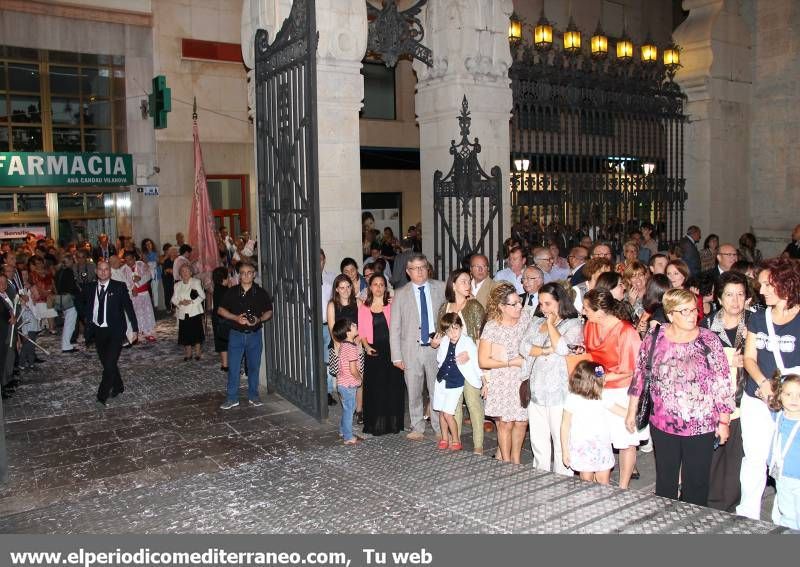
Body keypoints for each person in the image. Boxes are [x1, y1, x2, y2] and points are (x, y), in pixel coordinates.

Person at [626, 288, 733, 506]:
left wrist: (724, 420)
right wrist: (631, 411)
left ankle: (694, 523)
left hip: (700, 423)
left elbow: (722, 382)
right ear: (671, 314)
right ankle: (667, 520)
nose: (693, 315)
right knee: (666, 479)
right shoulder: (655, 337)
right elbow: (640, 375)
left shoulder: (708, 340)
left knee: (697, 481)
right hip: (663, 421)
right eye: (685, 311)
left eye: (694, 310)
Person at [739, 257, 800, 520]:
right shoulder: (758, 317)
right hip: (758, 396)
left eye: (767, 285)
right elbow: (749, 357)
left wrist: (786, 390)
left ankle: (784, 518)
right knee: (754, 456)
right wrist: (764, 385)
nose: (761, 291)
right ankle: (748, 513)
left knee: (787, 461)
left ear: (786, 284)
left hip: (792, 401)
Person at [701, 271, 752, 512]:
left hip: (745, 399)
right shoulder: (707, 325)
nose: (735, 300)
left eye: (740, 294)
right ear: (719, 298)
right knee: (712, 454)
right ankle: (709, 501)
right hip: (713, 401)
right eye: (729, 295)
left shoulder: (755, 324)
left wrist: (751, 362)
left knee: (736, 455)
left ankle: (731, 504)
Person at [520, 282, 583, 474]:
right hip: (536, 388)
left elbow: (563, 349)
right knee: (538, 438)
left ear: (560, 301)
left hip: (559, 390)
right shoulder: (536, 321)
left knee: (560, 436)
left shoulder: (573, 323)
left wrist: (551, 325)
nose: (543, 308)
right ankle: (541, 472)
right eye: (541, 304)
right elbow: (523, 346)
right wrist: (546, 350)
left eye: (548, 304)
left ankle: (563, 475)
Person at [583, 288, 641, 488]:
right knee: (599, 437)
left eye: (586, 309)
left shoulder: (626, 331)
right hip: (597, 388)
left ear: (600, 312)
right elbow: (590, 356)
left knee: (625, 439)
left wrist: (600, 377)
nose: (583, 312)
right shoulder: (590, 326)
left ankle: (623, 486)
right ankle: (602, 481)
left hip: (621, 390)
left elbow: (633, 370)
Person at [389, 253, 445, 441]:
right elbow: (395, 327)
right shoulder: (400, 293)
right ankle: (417, 425)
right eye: (415, 268)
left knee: (436, 390)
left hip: (435, 349)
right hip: (410, 351)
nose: (420, 271)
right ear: (408, 272)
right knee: (413, 391)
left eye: (423, 267)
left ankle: (439, 426)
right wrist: (396, 356)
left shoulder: (441, 288)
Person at [432, 269, 486, 454]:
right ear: (453, 285)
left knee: (473, 404)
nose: (467, 285)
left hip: (469, 365)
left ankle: (478, 446)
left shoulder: (475, 307)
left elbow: (480, 338)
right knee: (453, 406)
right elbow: (440, 335)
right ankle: (456, 441)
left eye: (469, 282)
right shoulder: (444, 308)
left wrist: (474, 358)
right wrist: (435, 342)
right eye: (463, 281)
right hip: (450, 365)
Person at [478, 282, 531, 464]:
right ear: (501, 306)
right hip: (502, 379)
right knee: (506, 423)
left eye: (520, 302)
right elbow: (483, 360)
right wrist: (510, 362)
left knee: (522, 422)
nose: (519, 306)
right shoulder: (492, 327)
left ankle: (516, 460)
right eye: (514, 304)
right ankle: (506, 462)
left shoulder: (526, 318)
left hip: (522, 378)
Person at [218, 261, 274, 409]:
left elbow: (269, 311)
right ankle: (232, 398)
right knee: (234, 368)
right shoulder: (232, 292)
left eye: (249, 272)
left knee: (254, 367)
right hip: (236, 334)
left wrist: (259, 319)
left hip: (254, 335)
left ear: (254, 274)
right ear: (239, 275)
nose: (246, 275)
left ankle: (253, 396)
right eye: (243, 273)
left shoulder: (260, 292)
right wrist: (235, 318)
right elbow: (221, 310)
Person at [83, 260, 138, 407]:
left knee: (109, 364)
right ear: (96, 271)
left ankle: (101, 397)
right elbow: (85, 306)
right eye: (100, 269)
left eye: (106, 269)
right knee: (108, 363)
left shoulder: (119, 287)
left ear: (110, 271)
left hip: (116, 331)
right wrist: (86, 324)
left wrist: (135, 328)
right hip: (98, 331)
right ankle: (118, 386)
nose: (103, 272)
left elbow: (129, 308)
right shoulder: (89, 288)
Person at [359, 274, 404, 436]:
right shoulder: (364, 307)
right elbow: (362, 331)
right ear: (370, 287)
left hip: (392, 351)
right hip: (374, 352)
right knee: (376, 389)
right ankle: (376, 424)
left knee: (392, 388)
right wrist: (366, 347)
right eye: (375, 284)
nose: (378, 288)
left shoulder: (392, 305)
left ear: (386, 287)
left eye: (381, 285)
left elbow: (399, 327)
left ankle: (393, 424)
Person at [561, 361, 616, 484]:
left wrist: (634, 413)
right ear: (590, 382)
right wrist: (565, 450)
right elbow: (565, 425)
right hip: (583, 447)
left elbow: (618, 410)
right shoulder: (573, 398)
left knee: (604, 480)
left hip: (602, 446)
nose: (605, 381)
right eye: (601, 379)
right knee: (586, 481)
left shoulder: (603, 395)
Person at [435, 312, 480, 451]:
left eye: (455, 328)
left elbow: (477, 363)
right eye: (448, 330)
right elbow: (440, 359)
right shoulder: (444, 341)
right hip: (441, 380)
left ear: (461, 327)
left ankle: (455, 439)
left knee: (448, 414)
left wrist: (484, 381)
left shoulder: (467, 342)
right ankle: (444, 437)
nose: (452, 333)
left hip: (455, 383)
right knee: (441, 413)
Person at [767, 373, 800, 529]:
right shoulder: (778, 416)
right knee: (787, 514)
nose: (794, 399)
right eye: (788, 394)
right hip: (782, 476)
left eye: (799, 395)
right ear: (780, 396)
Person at [327, 274, 359, 407]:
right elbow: (332, 329)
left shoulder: (357, 303)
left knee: (357, 378)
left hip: (356, 346)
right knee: (342, 381)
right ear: (336, 289)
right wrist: (341, 351)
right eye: (342, 287)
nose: (345, 290)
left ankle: (358, 410)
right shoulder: (332, 305)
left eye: (348, 287)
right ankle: (346, 408)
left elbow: (361, 325)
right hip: (338, 348)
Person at [333, 318, 363, 445]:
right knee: (349, 410)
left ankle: (342, 430)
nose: (355, 325)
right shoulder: (351, 348)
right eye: (352, 325)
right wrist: (359, 378)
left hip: (343, 383)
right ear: (348, 332)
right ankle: (348, 437)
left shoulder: (344, 345)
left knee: (347, 409)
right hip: (349, 384)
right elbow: (352, 369)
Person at [171, 264, 205, 361]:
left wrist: (191, 302)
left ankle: (198, 352)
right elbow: (174, 299)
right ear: (180, 274)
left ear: (191, 272)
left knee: (196, 332)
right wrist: (180, 302)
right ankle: (188, 353)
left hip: (194, 311)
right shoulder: (177, 285)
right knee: (185, 333)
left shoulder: (196, 282)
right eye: (182, 271)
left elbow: (202, 296)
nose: (185, 273)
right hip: (183, 311)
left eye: (187, 271)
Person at [123, 251, 157, 342]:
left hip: (144, 293)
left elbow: (149, 275)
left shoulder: (141, 264)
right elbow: (124, 282)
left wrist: (140, 279)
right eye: (126, 261)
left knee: (146, 312)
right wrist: (132, 288)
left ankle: (148, 332)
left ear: (134, 258)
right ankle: (137, 333)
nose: (129, 262)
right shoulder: (124, 269)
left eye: (130, 259)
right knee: (136, 313)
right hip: (133, 295)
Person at [54, 255, 79, 353]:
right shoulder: (68, 271)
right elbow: (72, 286)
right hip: (68, 298)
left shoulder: (59, 271)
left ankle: (67, 343)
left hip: (60, 297)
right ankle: (66, 345)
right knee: (70, 322)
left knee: (68, 321)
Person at [211, 266, 230, 372]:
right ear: (224, 278)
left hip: (216, 317)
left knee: (220, 341)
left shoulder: (216, 288)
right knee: (226, 341)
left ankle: (224, 364)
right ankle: (226, 364)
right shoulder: (225, 290)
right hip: (224, 318)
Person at [141, 238, 161, 311]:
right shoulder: (144, 254)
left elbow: (158, 263)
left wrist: (155, 263)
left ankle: (156, 306)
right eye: (147, 245)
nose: (148, 245)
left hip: (156, 273)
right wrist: (151, 263)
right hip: (148, 274)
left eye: (150, 244)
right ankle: (150, 305)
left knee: (155, 289)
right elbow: (145, 263)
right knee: (149, 289)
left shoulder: (156, 253)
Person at [161, 245, 177, 313]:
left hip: (175, 278)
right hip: (167, 279)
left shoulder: (177, 260)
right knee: (168, 293)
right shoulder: (166, 260)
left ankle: (174, 307)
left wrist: (172, 270)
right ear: (170, 253)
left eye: (175, 251)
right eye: (173, 252)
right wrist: (171, 270)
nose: (175, 253)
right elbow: (166, 270)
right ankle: (168, 307)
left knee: (175, 292)